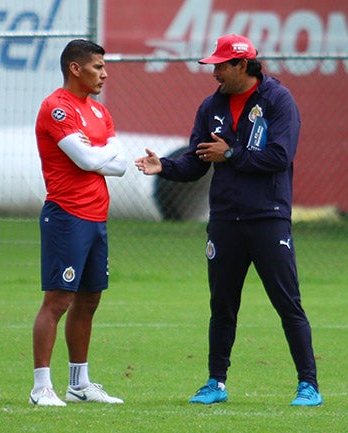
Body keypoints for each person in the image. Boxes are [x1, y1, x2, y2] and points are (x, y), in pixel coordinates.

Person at [134, 34, 322, 406]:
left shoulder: (278, 100)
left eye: (221, 65)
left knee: (287, 303)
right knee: (222, 305)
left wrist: (231, 153)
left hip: (268, 218)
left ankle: (308, 385)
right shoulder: (210, 107)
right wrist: (165, 167)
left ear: (242, 65)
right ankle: (215, 383)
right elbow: (196, 162)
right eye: (213, 65)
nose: (214, 73)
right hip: (223, 220)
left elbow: (279, 157)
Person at [30, 39, 127, 407]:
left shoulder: (100, 113)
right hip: (66, 216)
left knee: (88, 301)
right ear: (76, 68)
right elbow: (86, 160)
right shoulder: (57, 108)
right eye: (98, 67)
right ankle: (41, 387)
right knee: (58, 300)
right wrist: (99, 155)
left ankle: (79, 384)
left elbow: (118, 164)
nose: (104, 74)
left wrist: (97, 155)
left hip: (96, 218)